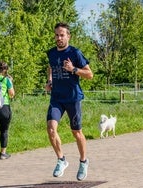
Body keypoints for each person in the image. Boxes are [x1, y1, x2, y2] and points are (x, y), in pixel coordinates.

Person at [45, 22, 93, 181]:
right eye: (57, 35)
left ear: (68, 36)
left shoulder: (75, 53)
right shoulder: (51, 53)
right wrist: (50, 81)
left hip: (73, 98)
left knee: (76, 133)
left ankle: (83, 161)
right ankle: (61, 159)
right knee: (51, 129)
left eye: (62, 35)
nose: (59, 38)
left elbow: (89, 74)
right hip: (57, 98)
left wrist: (73, 69)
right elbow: (50, 67)